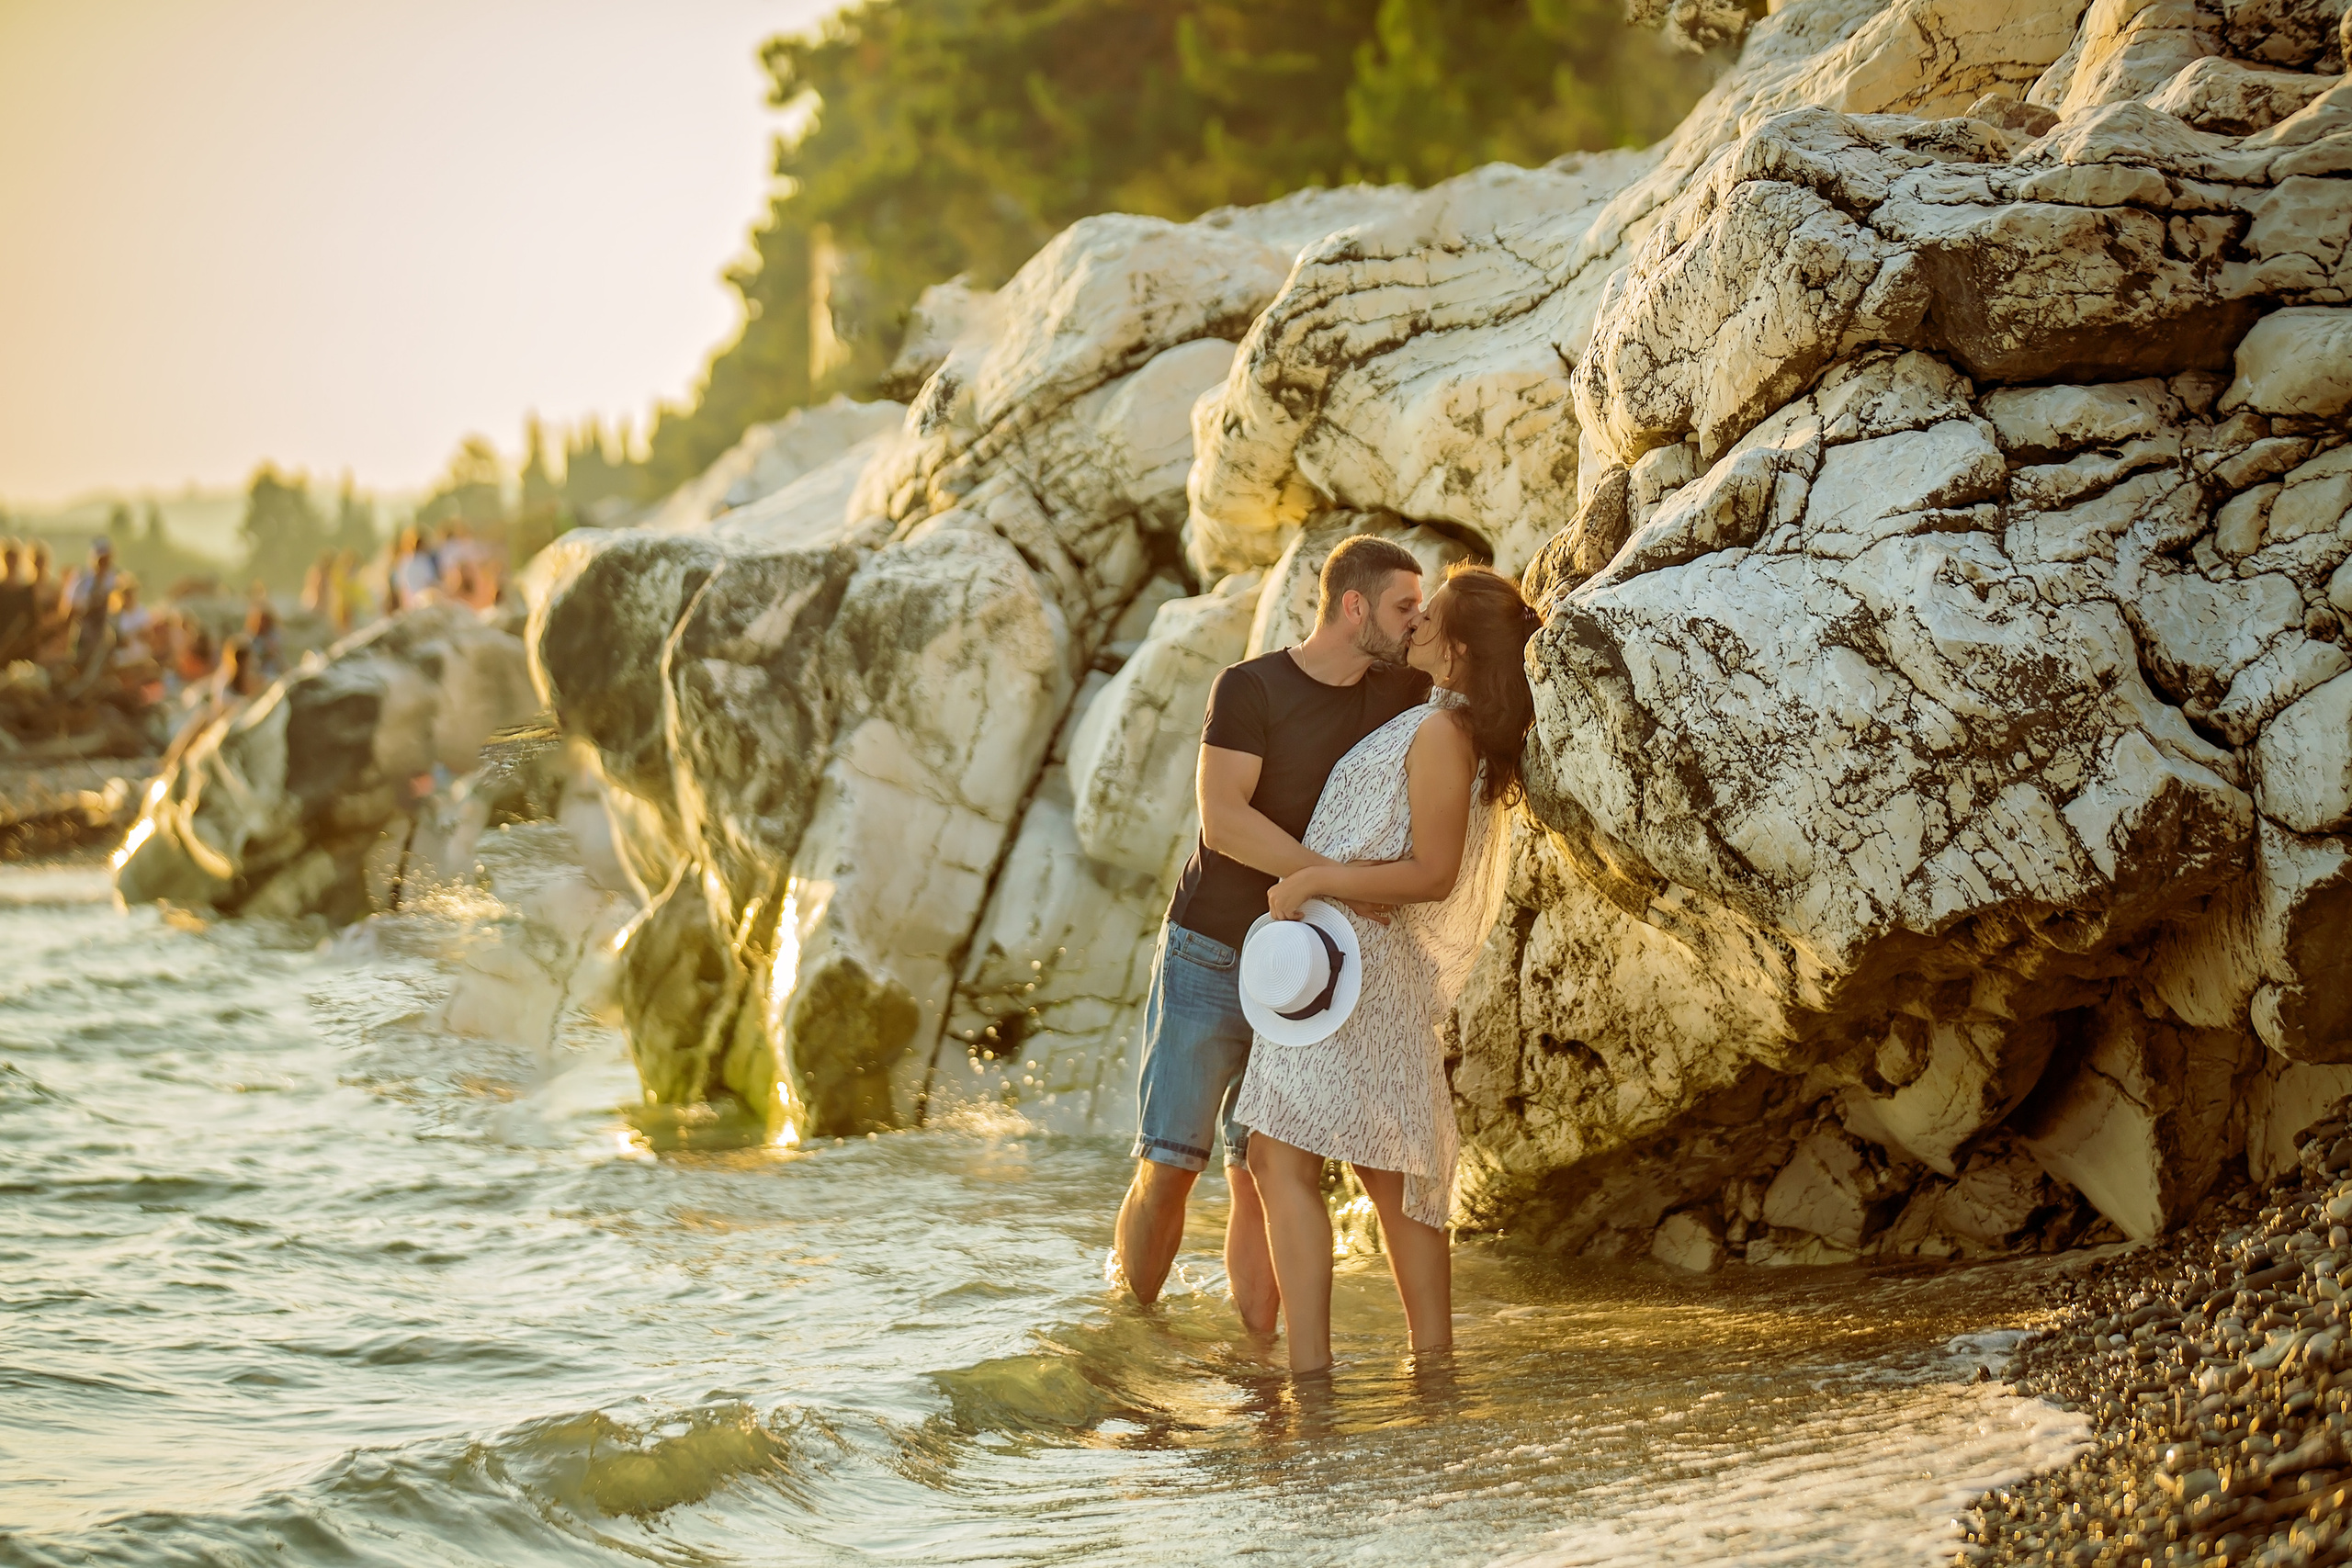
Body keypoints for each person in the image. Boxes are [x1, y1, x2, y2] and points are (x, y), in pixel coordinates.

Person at [1113, 535, 1432, 1335]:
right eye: (1402, 607)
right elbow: (1223, 819)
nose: (1414, 622)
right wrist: (1326, 873)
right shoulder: (1249, 687)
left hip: (1308, 972)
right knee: (1167, 1166)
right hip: (1210, 953)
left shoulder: (1402, 691)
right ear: (1352, 606)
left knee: (1260, 1169)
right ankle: (1125, 1333)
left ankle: (1261, 1375)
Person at [1236, 564, 1538, 1375]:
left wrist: (1314, 878)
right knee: (1382, 1162)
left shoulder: (1443, 732)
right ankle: (1428, 1366)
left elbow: (1433, 871)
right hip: (1360, 962)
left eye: (1428, 617)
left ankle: (1315, 1373)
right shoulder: (1440, 719)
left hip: (1353, 965)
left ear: (1462, 647)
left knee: (1285, 1157)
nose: (1413, 626)